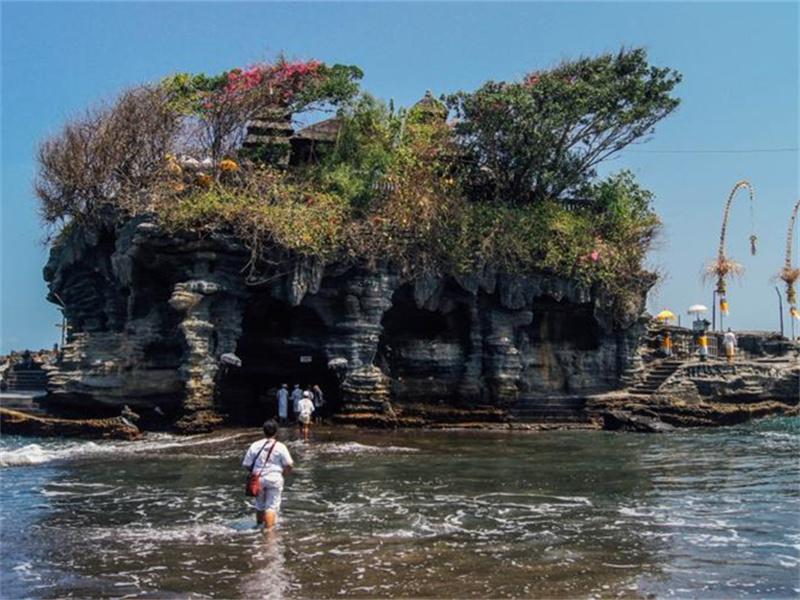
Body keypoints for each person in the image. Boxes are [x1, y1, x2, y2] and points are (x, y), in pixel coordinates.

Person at [242, 419, 294, 529]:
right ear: (276, 432)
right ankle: (269, 534)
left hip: (258, 478)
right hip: (274, 478)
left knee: (260, 505)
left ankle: (259, 528)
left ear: (263, 431)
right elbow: (289, 464)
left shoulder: (255, 445)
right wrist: (284, 474)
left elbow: (246, 464)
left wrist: (254, 473)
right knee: (271, 506)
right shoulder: (280, 446)